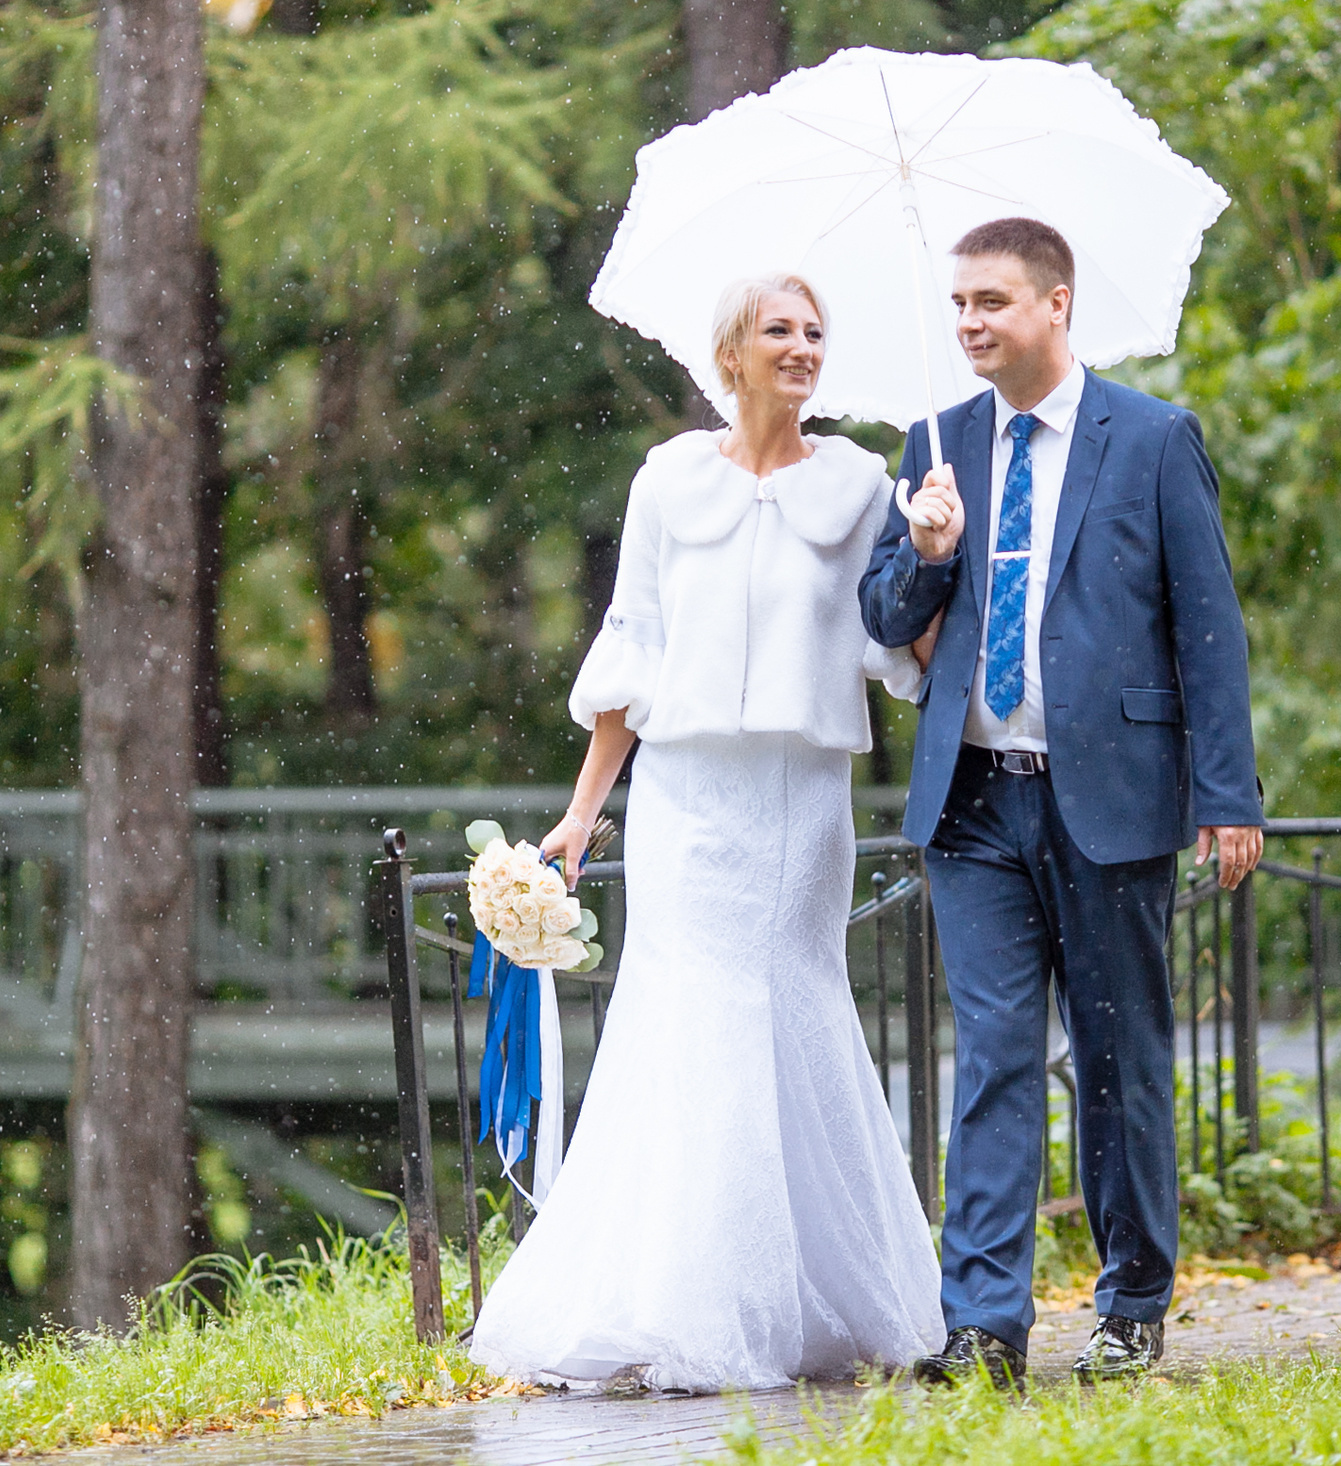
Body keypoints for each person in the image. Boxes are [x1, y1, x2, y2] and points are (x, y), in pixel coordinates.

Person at [467, 274, 942, 1393]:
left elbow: (901, 651)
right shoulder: (668, 480)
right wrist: (584, 812)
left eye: (815, 332)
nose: (802, 348)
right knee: (678, 1015)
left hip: (799, 800)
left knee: (787, 1007)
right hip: (683, 798)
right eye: (778, 330)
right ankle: (666, 1300)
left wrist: (928, 551)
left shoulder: (866, 483)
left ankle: (811, 1294)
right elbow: (632, 644)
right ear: (728, 354)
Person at [859, 216, 1264, 1386]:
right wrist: (926, 548)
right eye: (959, 306)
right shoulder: (935, 442)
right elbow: (887, 618)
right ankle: (982, 1323)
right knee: (990, 1055)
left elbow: (1208, 628)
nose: (970, 324)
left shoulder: (1149, 438)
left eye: (991, 301)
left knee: (1116, 1054)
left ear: (1056, 303)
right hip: (974, 802)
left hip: (1112, 799)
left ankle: (1131, 1301)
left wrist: (1224, 792)